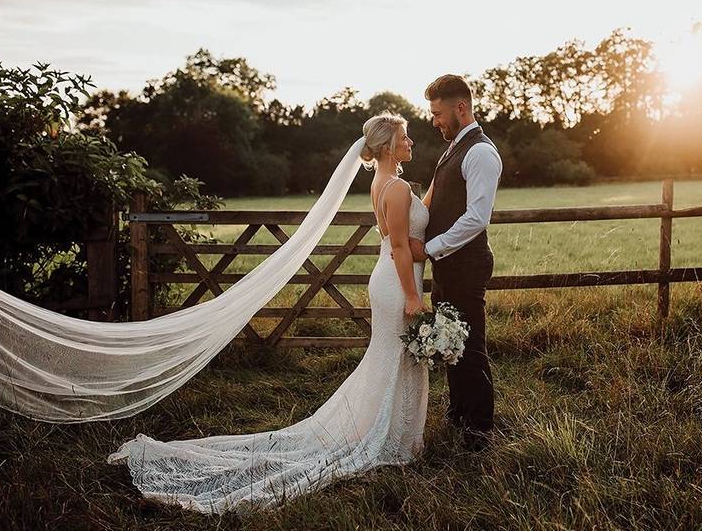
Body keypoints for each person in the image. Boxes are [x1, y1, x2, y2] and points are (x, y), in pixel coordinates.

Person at [107, 112, 432, 514]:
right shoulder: (397, 187)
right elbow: (401, 246)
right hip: (399, 284)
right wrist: (413, 297)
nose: (411, 142)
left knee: (388, 358)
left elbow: (407, 228)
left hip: (387, 280)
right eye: (406, 137)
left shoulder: (384, 183)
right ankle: (388, 439)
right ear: (387, 146)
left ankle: (386, 433)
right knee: (395, 356)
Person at [416, 74, 503, 452]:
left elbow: (476, 218)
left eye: (437, 113)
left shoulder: (481, 152)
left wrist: (429, 248)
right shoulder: (453, 148)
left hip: (466, 265)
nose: (434, 121)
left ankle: (480, 429)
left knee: (471, 346)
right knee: (452, 342)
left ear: (460, 107)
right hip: (448, 266)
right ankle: (459, 413)